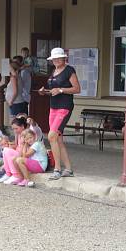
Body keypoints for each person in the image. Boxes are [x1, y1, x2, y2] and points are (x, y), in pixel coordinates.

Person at [38, 47, 80, 180]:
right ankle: (68, 169)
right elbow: (53, 90)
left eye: (58, 58)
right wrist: (44, 91)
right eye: (54, 58)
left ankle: (57, 169)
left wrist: (61, 90)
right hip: (53, 106)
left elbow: (77, 89)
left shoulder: (69, 70)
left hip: (64, 106)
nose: (56, 60)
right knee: (57, 139)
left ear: (63, 58)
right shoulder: (54, 71)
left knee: (51, 136)